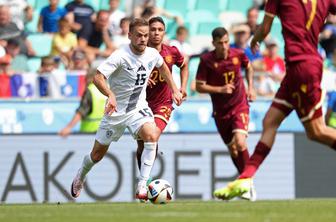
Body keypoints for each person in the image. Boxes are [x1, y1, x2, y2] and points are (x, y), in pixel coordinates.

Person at [214, 0, 336, 201]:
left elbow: (265, 27)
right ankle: (246, 178)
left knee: (317, 131)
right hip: (299, 69)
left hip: (302, 67)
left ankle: (246, 178)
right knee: (270, 121)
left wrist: (256, 39)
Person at [70, 18, 183, 200]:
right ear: (129, 35)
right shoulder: (120, 55)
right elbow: (98, 78)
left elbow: (164, 69)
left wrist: (175, 90)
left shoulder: (152, 54)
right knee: (96, 155)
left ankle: (142, 186)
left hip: (138, 108)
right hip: (116, 113)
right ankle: (81, 175)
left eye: (145, 36)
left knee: (152, 135)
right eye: (139, 35)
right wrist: (110, 94)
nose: (143, 39)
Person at [195, 27, 256, 199]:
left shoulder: (238, 54)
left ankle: (247, 182)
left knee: (240, 142)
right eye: (220, 43)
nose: (224, 46)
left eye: (226, 42)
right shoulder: (207, 60)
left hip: (240, 105)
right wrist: (220, 89)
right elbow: (199, 86)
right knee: (234, 150)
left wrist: (251, 87)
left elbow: (249, 67)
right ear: (213, 43)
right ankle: (245, 182)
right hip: (221, 112)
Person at [135, 16, 188, 174]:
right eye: (153, 29)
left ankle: (145, 181)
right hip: (140, 104)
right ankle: (144, 179)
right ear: (147, 32)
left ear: (164, 32)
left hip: (162, 104)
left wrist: (182, 88)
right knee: (141, 145)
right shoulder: (138, 53)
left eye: (160, 30)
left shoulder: (171, 52)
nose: (156, 33)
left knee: (153, 136)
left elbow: (184, 66)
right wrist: (142, 79)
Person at [59, 69, 106, 137]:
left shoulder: (91, 91)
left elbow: (81, 111)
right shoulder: (108, 90)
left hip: (89, 133)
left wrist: (68, 127)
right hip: (105, 134)